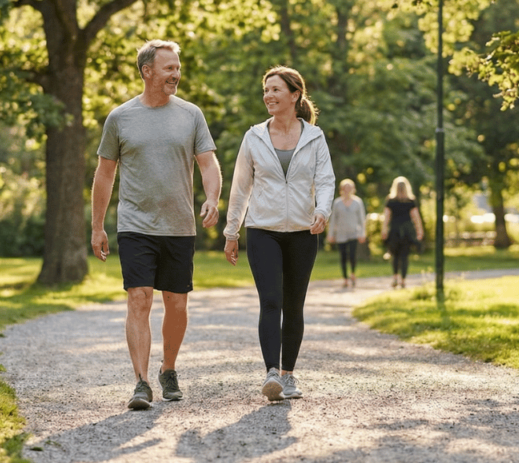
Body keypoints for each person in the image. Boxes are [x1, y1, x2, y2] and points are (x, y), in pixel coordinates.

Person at [91, 39, 222, 411]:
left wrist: (213, 198)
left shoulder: (191, 115)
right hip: (135, 224)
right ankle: (141, 382)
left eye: (177, 68)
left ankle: (168, 369)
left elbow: (208, 163)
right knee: (139, 298)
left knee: (176, 303)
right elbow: (104, 174)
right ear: (147, 71)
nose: (176, 74)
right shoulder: (120, 118)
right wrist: (97, 226)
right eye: (169, 68)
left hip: (179, 224)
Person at [223, 65, 335, 402]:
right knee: (271, 301)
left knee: (294, 304)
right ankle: (271, 373)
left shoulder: (314, 137)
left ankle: (288, 375)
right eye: (266, 90)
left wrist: (323, 210)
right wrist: (232, 231)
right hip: (263, 230)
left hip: (303, 231)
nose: (268, 96)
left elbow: (325, 180)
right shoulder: (254, 136)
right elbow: (240, 187)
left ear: (295, 94)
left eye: (275, 90)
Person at [380, 176, 424, 289]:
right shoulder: (410, 201)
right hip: (406, 231)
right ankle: (403, 280)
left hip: (395, 230)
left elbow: (386, 217)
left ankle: (395, 277)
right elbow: (416, 217)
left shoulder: (391, 200)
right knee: (404, 256)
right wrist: (419, 230)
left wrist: (384, 230)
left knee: (395, 255)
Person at [326, 179, 366, 288]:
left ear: (353, 189)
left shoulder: (358, 202)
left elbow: (362, 219)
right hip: (341, 234)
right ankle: (345, 278)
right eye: (345, 188)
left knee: (352, 255)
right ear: (342, 189)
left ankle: (352, 273)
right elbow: (333, 220)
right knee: (343, 256)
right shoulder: (337, 203)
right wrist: (330, 234)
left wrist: (362, 233)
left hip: (354, 233)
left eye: (349, 188)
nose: (347, 190)